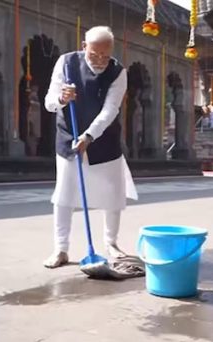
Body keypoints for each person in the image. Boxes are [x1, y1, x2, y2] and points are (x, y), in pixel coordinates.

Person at [43, 26, 138, 268]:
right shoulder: (66, 63)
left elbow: (110, 110)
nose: (100, 61)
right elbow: (49, 102)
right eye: (94, 55)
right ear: (84, 47)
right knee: (64, 195)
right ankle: (61, 249)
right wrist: (62, 98)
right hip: (68, 136)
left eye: (105, 56)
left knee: (113, 194)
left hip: (103, 139)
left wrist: (89, 136)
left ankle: (111, 243)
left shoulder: (118, 72)